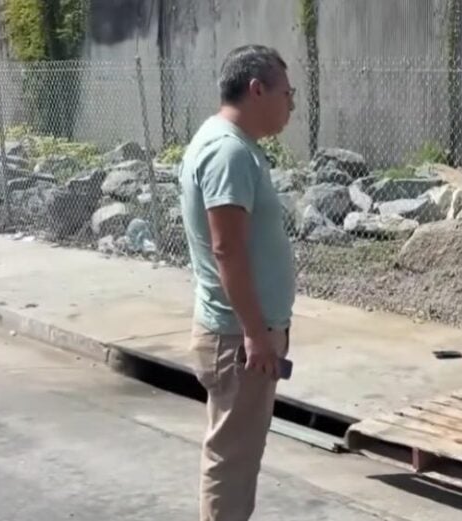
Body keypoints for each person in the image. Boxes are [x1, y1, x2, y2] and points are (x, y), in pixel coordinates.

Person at [177, 44, 296, 521]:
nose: (291, 105)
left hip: (238, 332)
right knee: (232, 461)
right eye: (287, 94)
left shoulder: (225, 142)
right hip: (237, 338)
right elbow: (227, 247)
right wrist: (255, 333)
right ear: (257, 89)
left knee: (236, 456)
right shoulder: (229, 152)